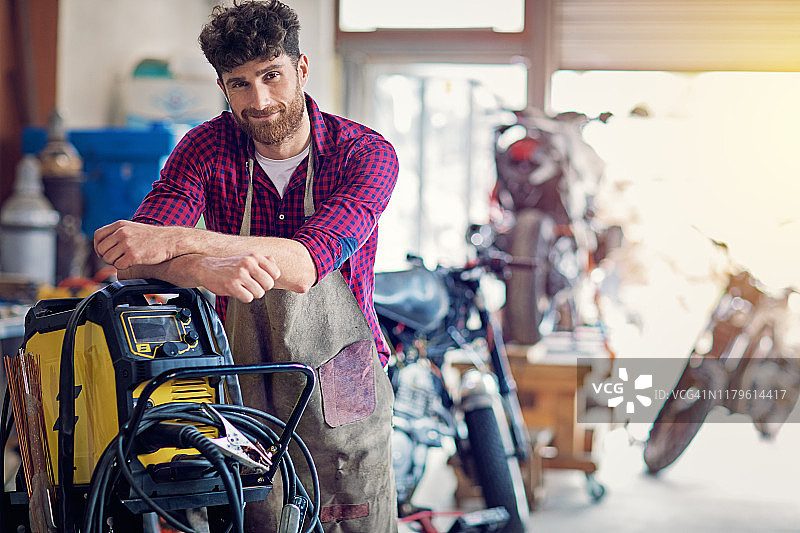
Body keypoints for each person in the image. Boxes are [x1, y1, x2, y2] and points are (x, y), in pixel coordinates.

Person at [93, 1, 399, 531]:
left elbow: (305, 264)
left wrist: (182, 242)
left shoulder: (364, 154)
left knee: (352, 514)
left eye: (271, 76)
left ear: (301, 69)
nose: (259, 101)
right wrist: (204, 272)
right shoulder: (204, 148)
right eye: (239, 84)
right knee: (252, 516)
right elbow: (133, 256)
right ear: (222, 86)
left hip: (343, 373)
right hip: (237, 373)